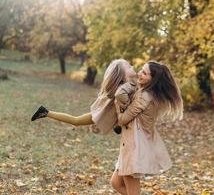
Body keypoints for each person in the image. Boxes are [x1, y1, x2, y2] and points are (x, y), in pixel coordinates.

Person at [110, 61, 184, 195]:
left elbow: (123, 119)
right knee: (115, 183)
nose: (139, 73)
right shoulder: (145, 92)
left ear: (153, 79)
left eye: (144, 73)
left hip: (135, 147)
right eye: (141, 70)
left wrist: (117, 103)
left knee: (132, 191)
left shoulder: (145, 97)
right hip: (131, 144)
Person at [30, 59, 137, 135]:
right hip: (104, 114)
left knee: (76, 121)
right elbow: (122, 101)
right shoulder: (124, 87)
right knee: (76, 121)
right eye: (128, 66)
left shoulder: (127, 85)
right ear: (122, 75)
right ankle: (45, 112)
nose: (132, 66)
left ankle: (46, 112)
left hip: (106, 114)